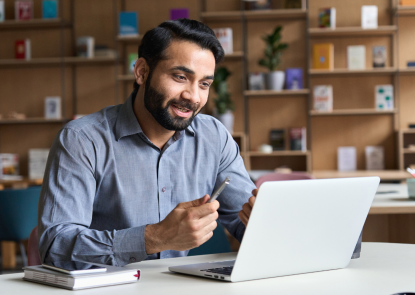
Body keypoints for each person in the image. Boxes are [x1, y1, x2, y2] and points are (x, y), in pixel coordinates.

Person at [38, 18, 257, 267]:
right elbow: (55, 247)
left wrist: (264, 220)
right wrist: (154, 238)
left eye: (204, 84)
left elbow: (248, 221)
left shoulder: (214, 136)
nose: (193, 96)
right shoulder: (82, 140)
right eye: (180, 77)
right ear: (142, 71)